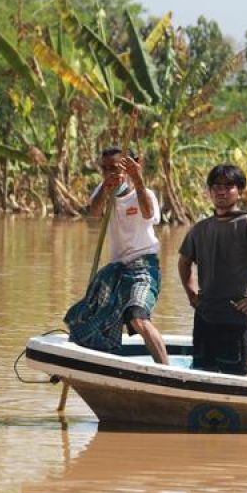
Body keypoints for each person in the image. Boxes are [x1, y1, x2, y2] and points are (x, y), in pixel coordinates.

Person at [64, 147, 169, 364]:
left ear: (130, 168)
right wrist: (107, 186)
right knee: (88, 317)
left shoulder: (145, 193)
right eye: (105, 169)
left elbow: (149, 213)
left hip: (144, 268)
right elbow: (93, 212)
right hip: (117, 268)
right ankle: (104, 360)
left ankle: (167, 371)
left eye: (115, 168)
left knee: (138, 317)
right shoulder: (104, 190)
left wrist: (137, 180)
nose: (110, 173)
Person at [178, 164, 247, 375]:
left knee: (234, 375)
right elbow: (184, 262)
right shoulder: (200, 228)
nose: (221, 191)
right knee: (202, 373)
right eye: (216, 186)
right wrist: (191, 294)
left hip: (234, 316)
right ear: (209, 190)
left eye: (229, 186)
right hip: (204, 315)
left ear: (240, 191)